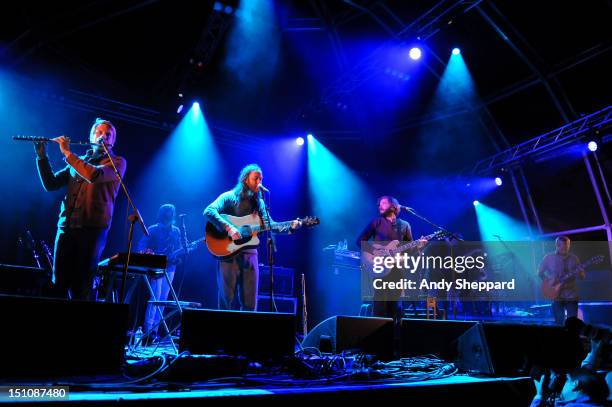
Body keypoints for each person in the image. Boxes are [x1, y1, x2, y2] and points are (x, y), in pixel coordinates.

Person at [34, 118, 126, 301]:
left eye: (108, 135)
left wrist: (68, 153)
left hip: (92, 230)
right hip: (66, 227)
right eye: (99, 133)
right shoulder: (79, 161)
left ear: (113, 141)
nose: (103, 137)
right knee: (58, 282)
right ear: (91, 136)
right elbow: (51, 184)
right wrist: (42, 157)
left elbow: (93, 174)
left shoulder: (117, 162)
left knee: (81, 284)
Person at [204, 164, 298, 311]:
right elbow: (209, 211)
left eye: (261, 179)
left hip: (250, 255)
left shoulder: (259, 203)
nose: (259, 182)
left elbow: (270, 225)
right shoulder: (229, 197)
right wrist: (229, 227)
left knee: (250, 303)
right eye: (256, 178)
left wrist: (291, 227)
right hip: (227, 253)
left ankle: (246, 333)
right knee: (226, 300)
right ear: (246, 179)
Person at [356, 195, 427, 321]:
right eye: (379, 204)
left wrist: (419, 247)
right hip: (379, 269)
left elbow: (409, 250)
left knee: (396, 308)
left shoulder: (404, 225)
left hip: (397, 271)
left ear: (393, 206)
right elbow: (360, 241)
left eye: (383, 203)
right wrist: (375, 251)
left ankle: (396, 337)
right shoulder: (376, 222)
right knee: (380, 308)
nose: (379, 206)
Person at [138, 204, 183, 337]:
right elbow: (141, 245)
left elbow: (179, 248)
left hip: (170, 268)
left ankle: (155, 332)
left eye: (171, 213)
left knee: (163, 299)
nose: (168, 216)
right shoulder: (152, 229)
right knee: (155, 297)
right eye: (166, 213)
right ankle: (148, 329)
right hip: (156, 268)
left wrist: (177, 257)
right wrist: (147, 253)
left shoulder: (176, 231)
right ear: (161, 215)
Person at [538, 236, 585, 325]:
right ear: (557, 245)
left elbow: (582, 277)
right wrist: (549, 282)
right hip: (556, 296)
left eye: (567, 246)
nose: (564, 248)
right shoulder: (548, 257)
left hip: (571, 295)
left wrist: (579, 272)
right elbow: (540, 273)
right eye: (562, 246)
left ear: (569, 245)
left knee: (572, 323)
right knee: (559, 323)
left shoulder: (574, 258)